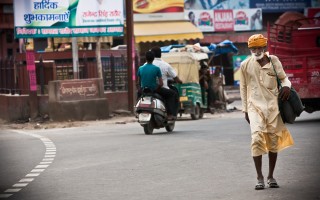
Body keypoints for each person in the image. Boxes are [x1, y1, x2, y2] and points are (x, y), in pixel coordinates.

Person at [239, 34, 294, 190]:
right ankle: (259, 177)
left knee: (273, 143)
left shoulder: (274, 61)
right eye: (253, 48)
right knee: (256, 138)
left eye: (259, 48)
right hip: (254, 107)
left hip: (273, 108)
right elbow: (243, 88)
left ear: (265, 48)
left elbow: (284, 78)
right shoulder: (245, 65)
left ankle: (270, 176)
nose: (256, 51)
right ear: (250, 49)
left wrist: (286, 86)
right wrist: (245, 110)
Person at [136, 51, 177, 120]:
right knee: (172, 94)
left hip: (144, 90)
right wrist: (156, 89)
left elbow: (138, 83)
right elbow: (161, 83)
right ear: (153, 59)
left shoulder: (140, 68)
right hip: (154, 89)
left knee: (138, 95)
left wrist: (140, 89)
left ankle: (137, 109)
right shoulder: (156, 68)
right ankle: (170, 114)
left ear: (145, 58)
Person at [150, 46, 182, 119]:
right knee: (172, 94)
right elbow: (176, 78)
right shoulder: (165, 65)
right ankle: (171, 114)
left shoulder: (146, 65)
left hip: (147, 87)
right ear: (160, 54)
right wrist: (180, 81)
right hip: (161, 88)